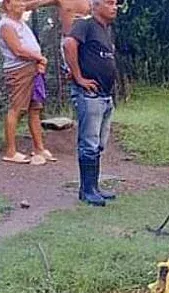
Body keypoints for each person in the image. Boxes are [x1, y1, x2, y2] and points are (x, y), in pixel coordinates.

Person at [64, 0, 117, 205]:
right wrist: (79, 77)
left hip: (104, 95)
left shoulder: (106, 30)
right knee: (89, 142)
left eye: (116, 4)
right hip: (90, 95)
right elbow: (69, 44)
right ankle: (87, 190)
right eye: (110, 3)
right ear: (95, 6)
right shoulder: (85, 25)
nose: (114, 7)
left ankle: (93, 187)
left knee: (99, 143)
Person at [0, 0, 53, 165]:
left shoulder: (21, 23)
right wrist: (40, 58)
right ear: (7, 5)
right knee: (17, 108)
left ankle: (39, 147)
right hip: (19, 71)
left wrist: (39, 62)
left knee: (35, 108)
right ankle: (10, 151)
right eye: (18, 1)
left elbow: (36, 4)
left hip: (33, 69)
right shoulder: (6, 25)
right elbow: (18, 50)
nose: (23, 4)